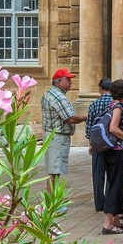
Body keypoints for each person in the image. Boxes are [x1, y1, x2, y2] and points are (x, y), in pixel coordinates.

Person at [40, 70, 84, 218]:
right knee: (56, 170)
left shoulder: (50, 93)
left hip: (53, 135)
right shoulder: (58, 96)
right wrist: (85, 117)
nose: (71, 82)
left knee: (54, 170)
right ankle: (54, 205)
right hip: (57, 137)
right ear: (59, 81)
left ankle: (53, 202)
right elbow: (70, 118)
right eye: (68, 80)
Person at [100, 79, 123, 234]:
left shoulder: (112, 104)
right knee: (115, 184)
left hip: (113, 150)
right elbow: (113, 128)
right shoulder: (118, 107)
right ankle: (108, 223)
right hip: (117, 150)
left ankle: (116, 220)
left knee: (117, 183)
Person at [85, 78, 114, 214]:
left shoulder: (94, 104)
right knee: (112, 174)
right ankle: (109, 201)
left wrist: (91, 142)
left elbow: (89, 125)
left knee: (98, 174)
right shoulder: (114, 103)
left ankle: (99, 203)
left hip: (97, 143)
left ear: (100, 88)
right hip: (111, 142)